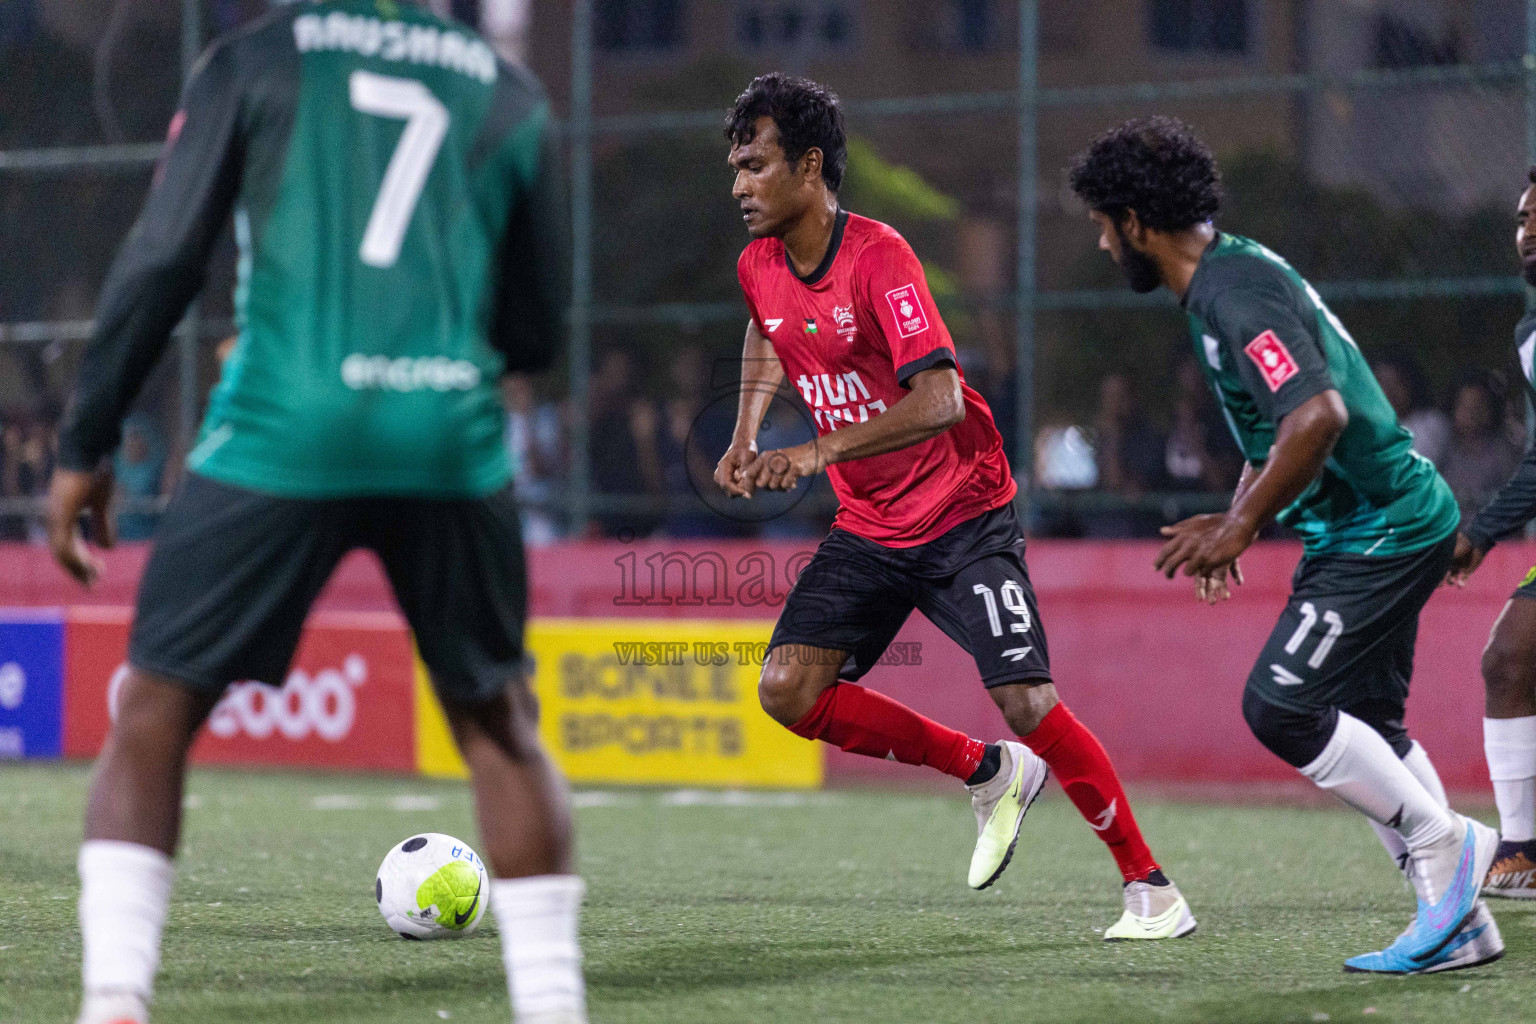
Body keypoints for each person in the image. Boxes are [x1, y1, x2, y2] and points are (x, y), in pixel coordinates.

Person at [46, 4, 584, 1023]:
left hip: (282, 425)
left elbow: (164, 257)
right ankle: (553, 1007)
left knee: (154, 711)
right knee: (501, 726)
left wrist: (85, 443)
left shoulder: (253, 62)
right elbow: (536, 325)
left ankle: (115, 1000)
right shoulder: (511, 92)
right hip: (445, 437)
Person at [716, 73, 1195, 939]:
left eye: (755, 164)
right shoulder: (758, 264)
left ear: (811, 165)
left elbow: (938, 398)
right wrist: (748, 434)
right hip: (870, 525)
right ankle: (986, 774)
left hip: (962, 511)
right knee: (788, 689)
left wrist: (813, 452)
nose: (739, 184)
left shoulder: (879, 256)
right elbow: (766, 327)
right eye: (735, 166)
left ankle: (1151, 889)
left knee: (1027, 699)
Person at [1068, 115, 1502, 975]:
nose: (1101, 240)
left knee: (1282, 705)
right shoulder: (1230, 279)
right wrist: (1244, 520)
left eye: (1102, 223)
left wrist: (1237, 526)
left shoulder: (1234, 294)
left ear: (1137, 223)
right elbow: (1282, 432)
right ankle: (1462, 926)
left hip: (1379, 526)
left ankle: (1448, 844)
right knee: (1370, 721)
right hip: (1380, 518)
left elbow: (1317, 416)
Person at [1445, 169, 1536, 902]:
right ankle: (1523, 851)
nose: (1527, 231)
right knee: (1508, 657)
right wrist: (1481, 533)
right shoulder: (1532, 334)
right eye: (1521, 218)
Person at [1440, 373, 1522, 523]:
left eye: (1479, 406)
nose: (1471, 414)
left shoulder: (1502, 452)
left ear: (1492, 409)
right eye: (1464, 406)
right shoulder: (1443, 446)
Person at [1372, 354, 1450, 467]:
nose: (1390, 391)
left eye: (1397, 382)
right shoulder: (1367, 426)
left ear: (1411, 384)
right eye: (1383, 383)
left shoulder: (1432, 423)